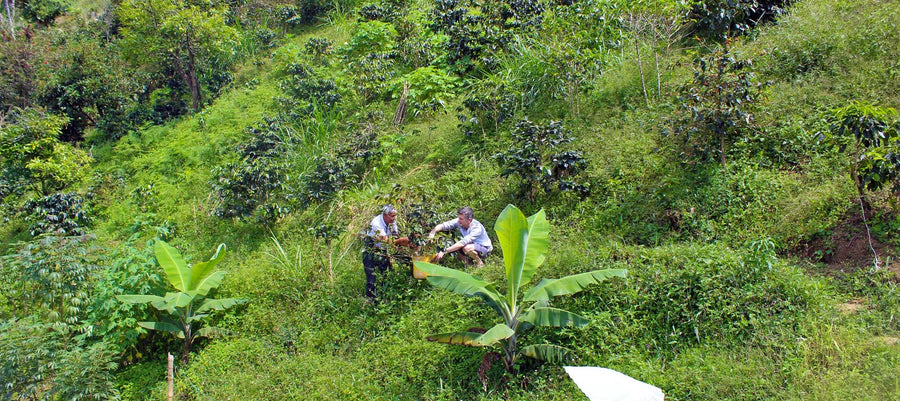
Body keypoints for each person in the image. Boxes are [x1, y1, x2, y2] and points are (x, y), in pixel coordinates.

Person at [363, 205, 409, 303]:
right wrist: (401, 241)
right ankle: (371, 302)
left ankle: (386, 299)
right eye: (392, 216)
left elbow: (395, 235)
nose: (395, 218)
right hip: (370, 253)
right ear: (385, 215)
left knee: (388, 275)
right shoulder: (376, 223)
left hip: (382, 251)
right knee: (372, 279)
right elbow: (386, 240)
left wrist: (401, 244)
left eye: (395, 215)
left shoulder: (392, 221)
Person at [428, 206, 492, 268]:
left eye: (461, 219)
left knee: (466, 248)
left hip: (484, 248)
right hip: (471, 245)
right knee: (457, 248)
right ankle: (469, 266)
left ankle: (480, 263)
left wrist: (444, 252)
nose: (459, 220)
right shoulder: (459, 222)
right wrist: (433, 232)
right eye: (459, 218)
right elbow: (444, 225)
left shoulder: (477, 228)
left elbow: (462, 243)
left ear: (469, 220)